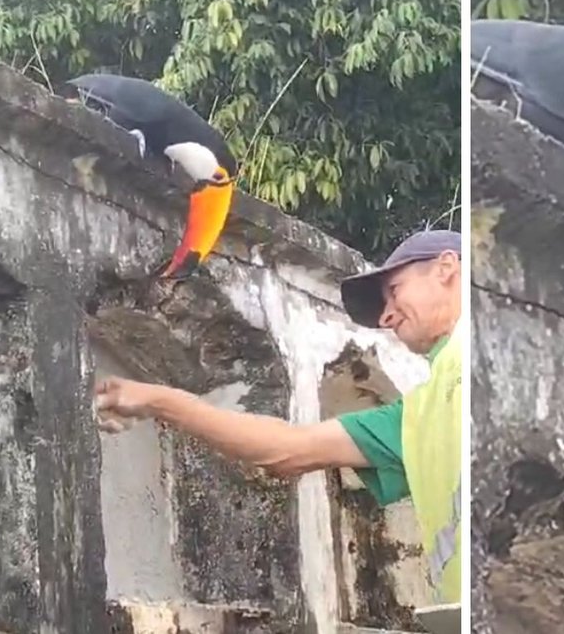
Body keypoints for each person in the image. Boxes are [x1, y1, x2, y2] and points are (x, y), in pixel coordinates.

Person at [94, 228, 463, 604]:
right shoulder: (420, 414)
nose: (386, 316)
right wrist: (160, 401)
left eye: (395, 290)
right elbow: (288, 449)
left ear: (446, 267)